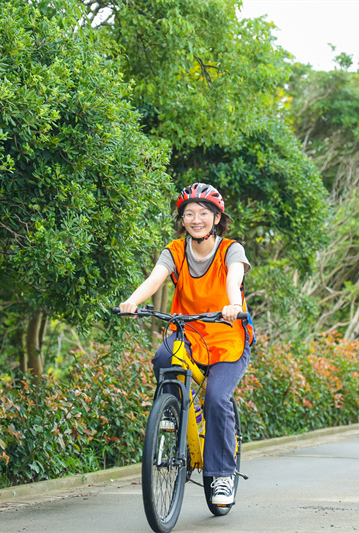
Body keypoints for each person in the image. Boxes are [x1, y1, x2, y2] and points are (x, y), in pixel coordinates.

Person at [118, 182, 254, 506]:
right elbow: (156, 278)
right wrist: (132, 301)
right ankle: (172, 413)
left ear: (217, 218)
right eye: (189, 214)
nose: (196, 220)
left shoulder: (230, 250)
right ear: (182, 219)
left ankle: (221, 476)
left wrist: (233, 304)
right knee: (163, 357)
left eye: (203, 214)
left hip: (227, 338)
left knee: (217, 399)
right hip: (189, 334)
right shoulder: (175, 250)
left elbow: (234, 279)